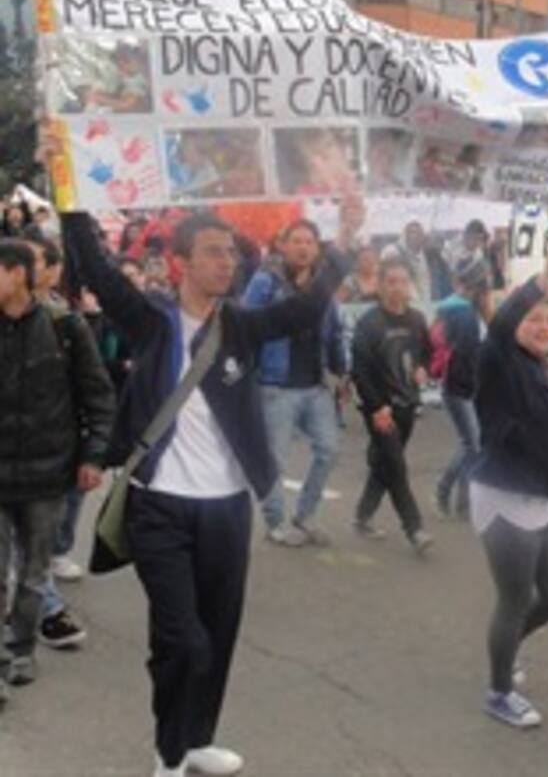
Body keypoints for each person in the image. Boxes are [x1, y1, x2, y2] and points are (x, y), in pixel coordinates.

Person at [62, 198, 359, 777]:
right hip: (157, 507)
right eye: (213, 253)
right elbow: (98, 271)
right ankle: (168, 753)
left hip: (225, 509)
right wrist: (71, 202)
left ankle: (197, 739)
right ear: (180, 263)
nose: (227, 264)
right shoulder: (151, 320)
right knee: (183, 640)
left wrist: (343, 241)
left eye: (231, 253)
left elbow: (303, 311)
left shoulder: (241, 326)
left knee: (218, 634)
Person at [0, 239, 114, 704]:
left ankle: (21, 650)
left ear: (20, 275)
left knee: (32, 575)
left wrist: (93, 456)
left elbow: (99, 396)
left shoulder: (65, 326)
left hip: (47, 476)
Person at [471, 244, 548, 730]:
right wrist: (545, 277)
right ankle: (499, 690)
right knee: (513, 600)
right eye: (534, 318)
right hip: (504, 498)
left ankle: (507, 644)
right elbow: (501, 325)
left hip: (545, 496)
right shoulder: (499, 361)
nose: (541, 327)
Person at [241, 219, 347, 548]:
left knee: (329, 450)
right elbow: (246, 326)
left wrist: (340, 370)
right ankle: (275, 522)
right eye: (296, 241)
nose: (303, 247)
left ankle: (306, 514)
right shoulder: (265, 282)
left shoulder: (321, 286)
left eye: (309, 242)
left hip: (315, 384)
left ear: (317, 249)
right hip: (276, 385)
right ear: (283, 246)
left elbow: (333, 331)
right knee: (275, 459)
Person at [349, 258, 434, 551]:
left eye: (403, 281)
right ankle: (415, 529)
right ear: (380, 285)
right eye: (391, 281)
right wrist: (376, 407)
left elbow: (427, 352)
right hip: (380, 409)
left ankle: (362, 516)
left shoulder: (417, 320)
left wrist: (423, 367)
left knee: (384, 464)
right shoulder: (369, 323)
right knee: (396, 466)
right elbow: (359, 371)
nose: (398, 288)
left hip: (407, 404)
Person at [432, 256, 493, 520]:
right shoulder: (465, 314)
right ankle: (446, 489)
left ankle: (463, 501)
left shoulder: (454, 308)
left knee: (470, 442)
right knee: (474, 445)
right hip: (461, 388)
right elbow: (468, 357)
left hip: (457, 385)